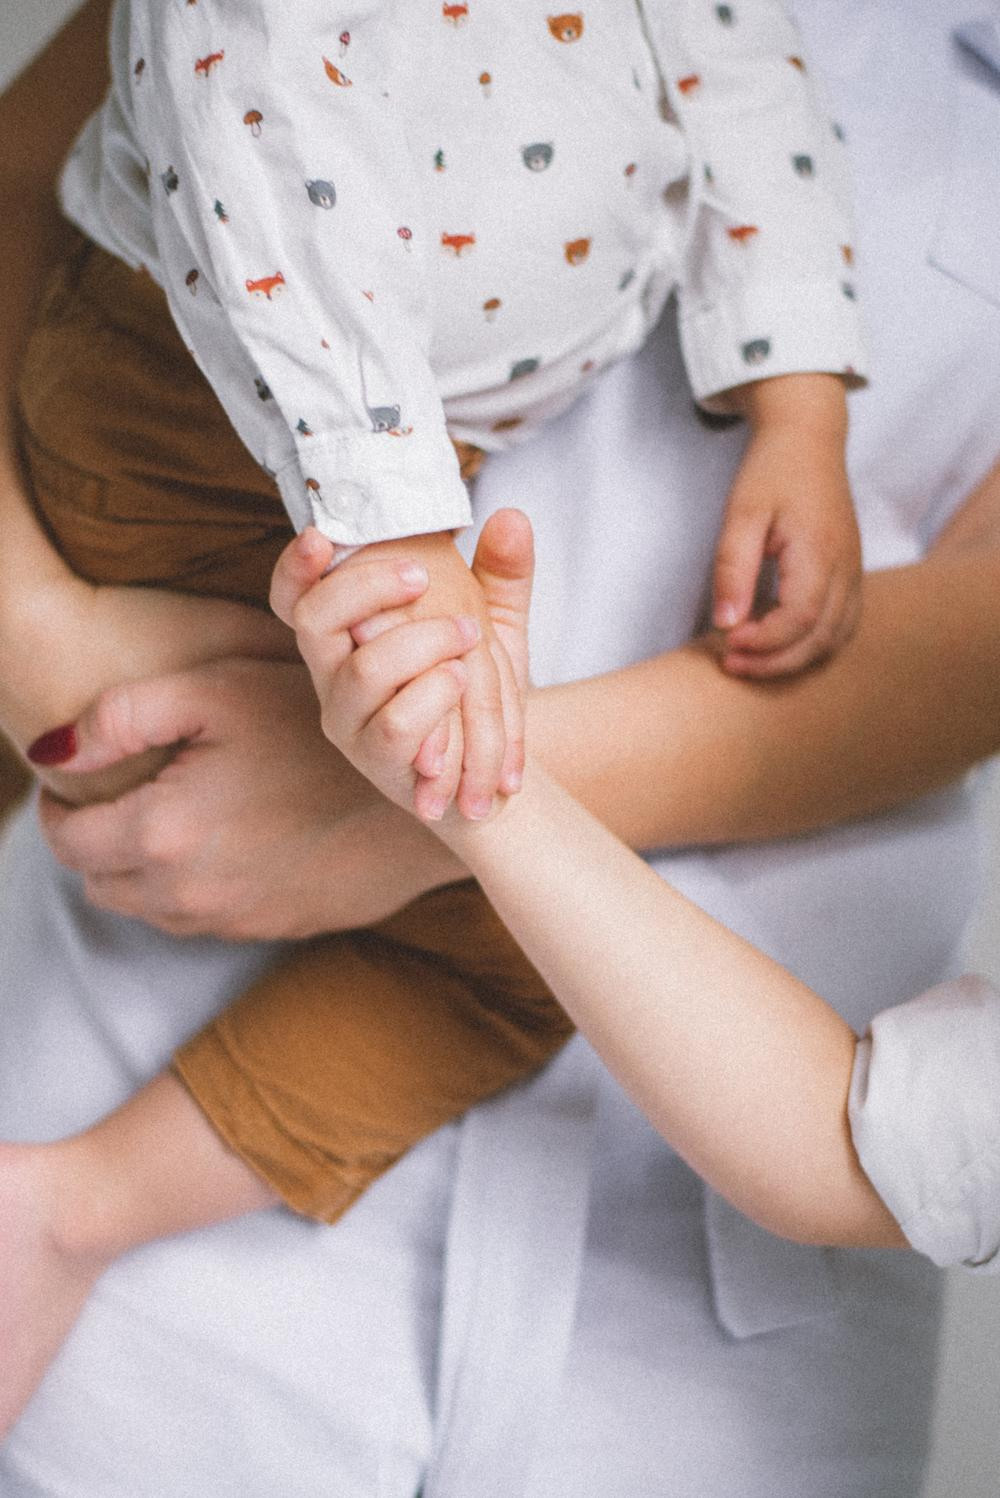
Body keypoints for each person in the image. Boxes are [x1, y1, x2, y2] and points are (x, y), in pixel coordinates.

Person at [2, 0, 1000, 1493]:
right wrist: (33, 633)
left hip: (709, 1352)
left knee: (528, 962)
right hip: (155, 1083)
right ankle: (73, 1200)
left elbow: (969, 651)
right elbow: (98, 160)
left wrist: (437, 788)